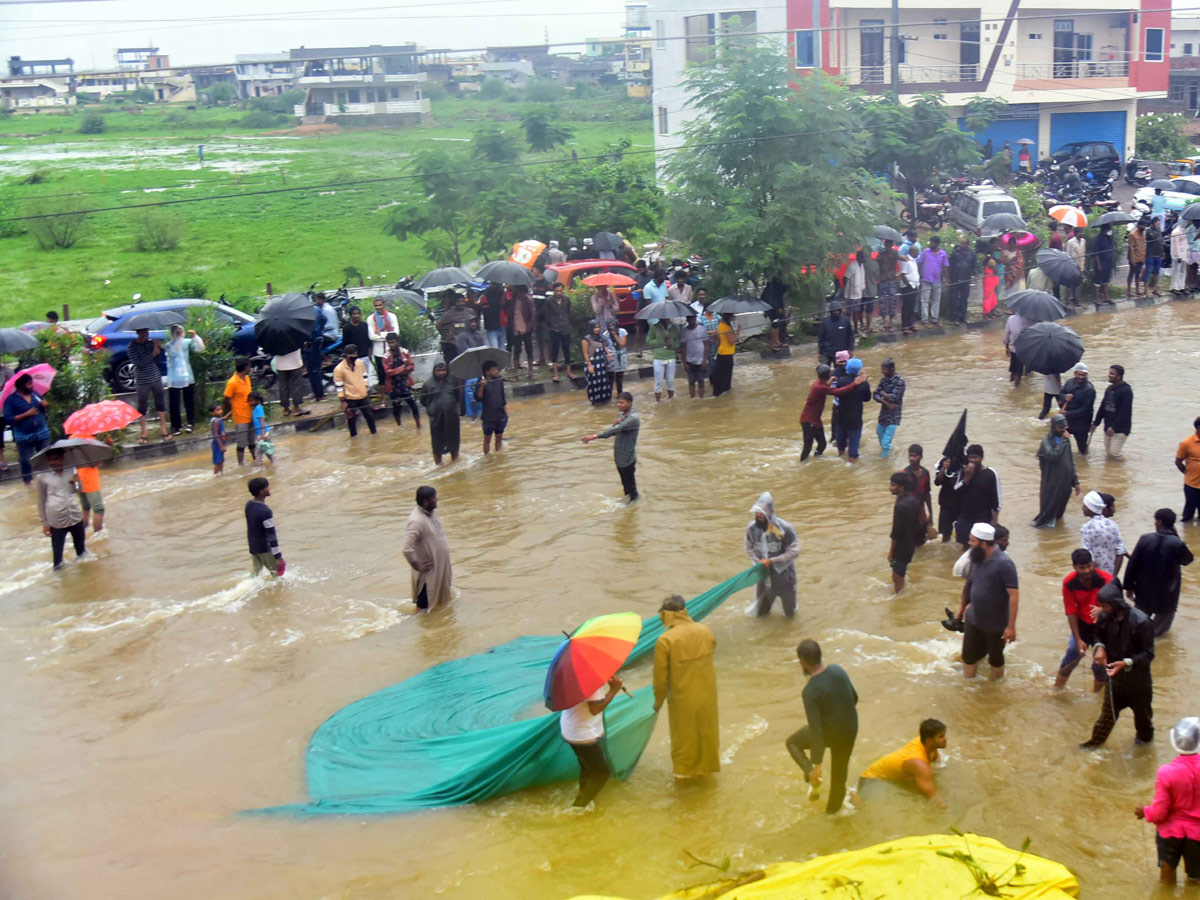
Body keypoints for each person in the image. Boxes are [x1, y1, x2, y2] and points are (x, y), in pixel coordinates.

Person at [785, 640, 857, 813]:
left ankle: (810, 774)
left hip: (831, 733)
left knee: (792, 743)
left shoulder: (810, 691)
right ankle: (832, 817)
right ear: (820, 656)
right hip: (850, 729)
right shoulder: (838, 670)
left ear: (803, 662)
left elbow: (816, 729)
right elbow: (854, 698)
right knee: (839, 780)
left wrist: (817, 765)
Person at [1081, 581, 1155, 749]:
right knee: (1106, 719)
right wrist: (1100, 647)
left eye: (1105, 606)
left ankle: (1143, 754)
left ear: (1115, 604)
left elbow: (1148, 654)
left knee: (1143, 723)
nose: (1102, 609)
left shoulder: (1142, 622)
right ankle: (1093, 746)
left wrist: (1126, 663)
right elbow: (1097, 634)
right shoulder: (1106, 617)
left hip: (1139, 684)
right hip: (1116, 681)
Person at [652, 595, 719, 778]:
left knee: (684, 742)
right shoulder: (705, 631)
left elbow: (660, 679)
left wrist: (657, 702)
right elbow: (712, 650)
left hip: (682, 700)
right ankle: (707, 778)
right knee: (707, 735)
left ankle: (683, 789)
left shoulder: (665, 640)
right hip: (708, 696)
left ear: (666, 614)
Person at [1135, 717, 1200, 887]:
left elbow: (1160, 812)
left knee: (1167, 877)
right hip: (1198, 835)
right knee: (1195, 879)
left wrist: (1145, 811)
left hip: (1170, 834)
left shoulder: (1166, 772)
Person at [955, 523, 1019, 680]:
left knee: (995, 660)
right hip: (973, 617)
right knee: (968, 656)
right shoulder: (976, 557)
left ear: (983, 543)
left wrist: (1010, 627)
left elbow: (1014, 596)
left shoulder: (1004, 564)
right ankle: (969, 689)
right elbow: (969, 586)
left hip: (995, 623)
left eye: (972, 541)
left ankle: (994, 691)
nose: (969, 544)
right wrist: (962, 609)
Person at [1125, 508, 1194, 637]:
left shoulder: (1145, 539)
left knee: (1136, 627)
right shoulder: (1177, 543)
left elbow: (1132, 564)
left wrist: (1128, 587)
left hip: (1143, 591)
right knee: (1158, 633)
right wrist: (1178, 538)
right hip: (1168, 595)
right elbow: (1187, 560)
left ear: (1159, 521)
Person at [560, 672, 623, 808]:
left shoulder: (573, 675)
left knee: (587, 767)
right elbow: (595, 709)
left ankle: (583, 796)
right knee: (602, 773)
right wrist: (613, 690)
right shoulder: (591, 680)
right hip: (582, 732)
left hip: (571, 726)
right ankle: (579, 807)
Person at [1054, 548, 1112, 692]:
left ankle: (1096, 696)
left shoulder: (1106, 580)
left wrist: (1103, 610)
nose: (1086, 571)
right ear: (1074, 567)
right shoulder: (1069, 583)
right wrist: (1078, 638)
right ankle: (1057, 690)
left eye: (1089, 566)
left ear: (1093, 564)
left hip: (1104, 627)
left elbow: (1118, 606)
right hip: (1082, 626)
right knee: (1071, 657)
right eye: (1082, 568)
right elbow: (1071, 611)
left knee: (1099, 665)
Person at [858, 719, 947, 805]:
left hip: (889, 777)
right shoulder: (920, 764)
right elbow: (933, 799)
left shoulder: (927, 744)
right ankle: (855, 799)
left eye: (944, 735)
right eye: (941, 737)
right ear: (929, 740)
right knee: (867, 810)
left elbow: (937, 763)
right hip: (871, 779)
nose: (945, 739)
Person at [744, 492, 801, 618]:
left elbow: (795, 551)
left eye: (762, 512)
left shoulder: (785, 528)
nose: (759, 515)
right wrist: (758, 561)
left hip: (784, 577)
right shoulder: (752, 529)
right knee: (762, 613)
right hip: (763, 576)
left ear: (770, 512)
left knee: (790, 613)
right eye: (757, 512)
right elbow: (749, 547)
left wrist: (772, 561)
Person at [36, 447, 91, 570]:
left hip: (75, 516)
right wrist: (45, 523)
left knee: (82, 554)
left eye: (55, 459)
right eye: (50, 460)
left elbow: (79, 491)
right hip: (56, 521)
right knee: (57, 562)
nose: (53, 462)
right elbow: (40, 501)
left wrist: (78, 482)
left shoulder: (71, 470)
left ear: (62, 458)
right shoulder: (42, 476)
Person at [402, 485, 453, 612]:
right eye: (434, 498)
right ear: (425, 502)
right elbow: (407, 548)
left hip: (439, 568)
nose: (437, 500)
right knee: (423, 606)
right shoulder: (417, 521)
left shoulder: (430, 513)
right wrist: (417, 565)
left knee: (441, 602)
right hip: (429, 572)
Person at [799, 363, 865, 461]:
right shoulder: (820, 387)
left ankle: (815, 461)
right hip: (809, 421)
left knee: (822, 444)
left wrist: (829, 382)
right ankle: (803, 463)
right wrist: (855, 383)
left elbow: (826, 388)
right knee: (808, 446)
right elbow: (837, 392)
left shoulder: (817, 383)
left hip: (814, 420)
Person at [582, 391, 640, 502]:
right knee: (625, 485)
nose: (618, 405)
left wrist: (594, 436)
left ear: (629, 403)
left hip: (627, 457)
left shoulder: (633, 418)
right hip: (620, 455)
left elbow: (615, 430)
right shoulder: (624, 415)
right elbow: (617, 427)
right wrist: (616, 423)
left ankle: (633, 505)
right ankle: (629, 504)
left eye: (621, 403)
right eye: (618, 402)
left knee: (631, 487)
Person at [1033, 414, 1080, 528]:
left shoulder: (1066, 441)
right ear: (1053, 427)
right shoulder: (1046, 442)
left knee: (1059, 512)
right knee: (1048, 512)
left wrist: (1076, 481)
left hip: (1065, 483)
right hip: (1052, 484)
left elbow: (1071, 461)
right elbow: (1053, 456)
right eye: (1060, 428)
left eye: (1064, 427)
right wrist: (1064, 441)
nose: (1063, 430)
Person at [3, 372, 50, 485]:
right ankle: (28, 483)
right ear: (21, 385)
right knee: (26, 461)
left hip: (42, 433)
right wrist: (26, 414)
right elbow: (8, 418)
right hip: (24, 436)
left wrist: (46, 405)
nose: (32, 386)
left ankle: (47, 481)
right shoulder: (11, 400)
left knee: (46, 457)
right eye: (29, 384)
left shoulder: (35, 394)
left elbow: (44, 411)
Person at [128, 327, 170, 444]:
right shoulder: (132, 347)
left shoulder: (150, 343)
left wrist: (158, 348)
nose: (145, 334)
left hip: (155, 376)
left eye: (146, 332)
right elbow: (138, 363)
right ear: (138, 333)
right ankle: (144, 432)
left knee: (160, 403)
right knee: (142, 405)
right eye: (143, 332)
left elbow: (158, 361)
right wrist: (152, 354)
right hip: (142, 380)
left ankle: (164, 429)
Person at [954, 444, 1001, 546]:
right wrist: (967, 477)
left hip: (983, 518)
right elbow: (956, 491)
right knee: (964, 547)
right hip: (965, 517)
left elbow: (997, 500)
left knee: (982, 548)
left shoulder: (991, 473)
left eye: (976, 457)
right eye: (970, 457)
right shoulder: (964, 471)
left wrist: (994, 521)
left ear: (982, 457)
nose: (973, 460)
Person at [164, 324, 206, 434]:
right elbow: (173, 354)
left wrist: (195, 337)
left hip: (187, 376)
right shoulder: (169, 345)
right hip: (174, 378)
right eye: (176, 332)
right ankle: (176, 426)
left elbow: (200, 348)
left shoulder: (187, 342)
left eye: (180, 331)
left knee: (189, 401)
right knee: (174, 403)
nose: (179, 334)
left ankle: (190, 423)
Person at [888, 471, 924, 593]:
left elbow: (896, 532)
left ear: (901, 487)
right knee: (900, 573)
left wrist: (891, 552)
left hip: (901, 546)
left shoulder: (900, 506)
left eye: (893, 485)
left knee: (897, 577)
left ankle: (899, 597)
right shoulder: (914, 500)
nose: (890, 488)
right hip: (911, 544)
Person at [419, 363, 462, 464]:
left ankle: (455, 465)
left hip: (452, 418)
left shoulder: (453, 381)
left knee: (454, 444)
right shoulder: (428, 384)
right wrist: (432, 409)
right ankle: (439, 467)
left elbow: (457, 396)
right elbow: (423, 400)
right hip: (436, 419)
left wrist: (453, 408)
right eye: (438, 370)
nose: (441, 373)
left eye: (443, 370)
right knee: (437, 445)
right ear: (434, 371)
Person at [332, 343, 376, 438]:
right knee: (351, 420)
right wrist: (343, 401)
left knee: (370, 416)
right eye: (352, 355)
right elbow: (339, 387)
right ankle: (354, 438)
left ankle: (374, 434)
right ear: (347, 355)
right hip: (350, 398)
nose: (355, 357)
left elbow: (365, 376)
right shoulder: (339, 369)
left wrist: (366, 389)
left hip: (363, 395)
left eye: (356, 354)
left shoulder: (359, 363)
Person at [1080, 490, 1128, 578]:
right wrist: (1113, 577)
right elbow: (1120, 552)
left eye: (1084, 505)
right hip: (1110, 576)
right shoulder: (1113, 525)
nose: (1082, 508)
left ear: (1089, 507)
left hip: (1096, 578)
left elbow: (1088, 558)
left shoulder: (1086, 528)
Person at [1090, 364, 1133, 459]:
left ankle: (1123, 469)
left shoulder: (1126, 391)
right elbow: (1102, 407)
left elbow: (1125, 412)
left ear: (1119, 376)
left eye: (1112, 374)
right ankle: (1111, 472)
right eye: (1109, 373)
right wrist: (1095, 424)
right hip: (1107, 427)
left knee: (1114, 453)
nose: (1109, 375)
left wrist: (1113, 427)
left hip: (1120, 429)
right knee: (1108, 454)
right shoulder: (1109, 389)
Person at [245, 476, 284, 577]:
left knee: (255, 575)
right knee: (277, 577)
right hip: (265, 548)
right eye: (266, 487)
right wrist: (278, 557)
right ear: (261, 491)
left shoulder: (248, 505)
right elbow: (271, 535)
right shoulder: (266, 511)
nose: (269, 488)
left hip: (253, 546)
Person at [835, 357, 871, 462]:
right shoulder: (864, 384)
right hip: (855, 419)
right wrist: (865, 382)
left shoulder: (841, 381)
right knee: (853, 451)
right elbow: (867, 398)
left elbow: (837, 395)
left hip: (841, 417)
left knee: (841, 447)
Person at [223, 358, 257, 464]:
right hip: (240, 417)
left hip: (251, 414)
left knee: (252, 440)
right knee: (241, 443)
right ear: (245, 367)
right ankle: (240, 464)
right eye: (249, 366)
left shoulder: (247, 378)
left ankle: (256, 460)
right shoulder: (232, 382)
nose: (250, 368)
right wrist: (233, 409)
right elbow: (226, 398)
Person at [382, 333, 420, 429]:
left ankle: (419, 425)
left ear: (397, 341)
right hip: (394, 386)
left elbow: (412, 366)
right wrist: (401, 369)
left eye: (393, 342)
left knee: (413, 405)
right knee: (396, 407)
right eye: (389, 343)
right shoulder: (386, 356)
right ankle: (399, 426)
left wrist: (397, 371)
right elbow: (387, 372)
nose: (391, 345)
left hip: (405, 384)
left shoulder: (405, 352)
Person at [305, 292, 338, 401]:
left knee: (313, 369)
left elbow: (327, 323)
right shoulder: (318, 309)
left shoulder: (323, 310)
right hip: (317, 339)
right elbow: (323, 320)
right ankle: (318, 393)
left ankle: (319, 393)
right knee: (315, 369)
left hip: (318, 339)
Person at [1057, 363, 1095, 455]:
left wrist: (1067, 413)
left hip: (1081, 424)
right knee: (1058, 442)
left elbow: (1086, 410)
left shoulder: (1090, 390)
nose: (1081, 377)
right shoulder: (1069, 382)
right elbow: (1060, 394)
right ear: (1074, 374)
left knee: (1082, 450)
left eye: (1084, 375)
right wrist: (1065, 397)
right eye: (1079, 374)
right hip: (1067, 422)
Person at [872, 357, 905, 459]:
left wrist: (882, 393)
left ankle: (883, 460)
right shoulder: (884, 380)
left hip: (894, 415)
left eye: (884, 369)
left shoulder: (900, 381)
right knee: (879, 433)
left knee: (885, 442)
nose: (882, 371)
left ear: (892, 370)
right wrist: (886, 403)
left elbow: (894, 397)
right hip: (884, 414)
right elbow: (875, 395)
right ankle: (888, 452)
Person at [474, 360, 507, 455]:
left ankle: (498, 455)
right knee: (487, 439)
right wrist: (481, 386)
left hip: (500, 415)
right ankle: (487, 457)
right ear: (487, 372)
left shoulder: (499, 380)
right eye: (494, 369)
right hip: (489, 416)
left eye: (497, 369)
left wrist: (506, 415)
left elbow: (503, 398)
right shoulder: (480, 382)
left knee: (499, 438)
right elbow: (478, 398)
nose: (497, 371)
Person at [544, 282, 575, 383]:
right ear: (554, 291)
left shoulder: (566, 299)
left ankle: (569, 371)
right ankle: (556, 373)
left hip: (565, 327)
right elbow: (547, 315)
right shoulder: (549, 301)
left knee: (567, 350)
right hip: (554, 328)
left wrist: (568, 322)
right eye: (557, 291)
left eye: (560, 290)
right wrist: (551, 326)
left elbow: (569, 312)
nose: (559, 293)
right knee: (555, 351)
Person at [365, 297, 400, 382]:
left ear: (384, 305)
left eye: (380, 305)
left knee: (394, 370)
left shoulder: (392, 316)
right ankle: (384, 392)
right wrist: (388, 334)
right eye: (376, 306)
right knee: (382, 373)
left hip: (391, 348)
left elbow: (396, 333)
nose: (378, 307)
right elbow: (371, 336)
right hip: (379, 351)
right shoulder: (371, 319)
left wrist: (380, 334)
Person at [916, 236, 949, 324]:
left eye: (933, 243)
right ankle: (925, 319)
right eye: (930, 242)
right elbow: (919, 263)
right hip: (926, 280)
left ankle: (934, 318)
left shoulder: (943, 254)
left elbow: (945, 267)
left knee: (936, 300)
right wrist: (919, 276)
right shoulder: (925, 252)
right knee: (924, 300)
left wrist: (947, 280)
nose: (931, 244)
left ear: (937, 244)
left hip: (937, 280)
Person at [580, 319, 613, 406]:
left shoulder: (601, 337)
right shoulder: (586, 339)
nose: (597, 329)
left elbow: (605, 347)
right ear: (591, 328)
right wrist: (590, 365)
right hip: (592, 363)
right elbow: (585, 353)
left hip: (602, 363)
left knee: (604, 383)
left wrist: (609, 354)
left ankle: (605, 401)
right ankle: (595, 402)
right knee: (594, 384)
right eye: (595, 328)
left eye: (598, 327)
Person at [646, 316, 678, 402]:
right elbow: (648, 340)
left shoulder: (673, 327)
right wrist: (660, 341)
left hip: (671, 356)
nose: (664, 320)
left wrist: (672, 345)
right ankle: (658, 402)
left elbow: (678, 342)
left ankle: (671, 400)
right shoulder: (654, 327)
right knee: (658, 382)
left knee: (671, 381)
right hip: (658, 357)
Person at [272, 345, 309, 419]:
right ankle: (296, 408)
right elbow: (303, 345)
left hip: (280, 365)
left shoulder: (274, 337)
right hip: (295, 363)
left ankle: (286, 409)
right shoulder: (294, 335)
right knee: (296, 385)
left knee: (283, 387)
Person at [904, 444, 934, 536]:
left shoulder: (925, 473)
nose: (912, 458)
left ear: (921, 457)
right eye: (910, 455)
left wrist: (931, 514)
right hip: (908, 513)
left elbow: (927, 494)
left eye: (914, 456)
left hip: (921, 512)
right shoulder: (904, 474)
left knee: (922, 539)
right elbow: (900, 497)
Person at [508, 285, 536, 378]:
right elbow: (509, 313)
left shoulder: (528, 300)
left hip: (526, 329)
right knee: (517, 351)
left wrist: (528, 327)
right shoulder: (513, 301)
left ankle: (530, 372)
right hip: (516, 329)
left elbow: (533, 315)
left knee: (529, 350)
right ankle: (516, 373)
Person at [679, 313, 709, 399]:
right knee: (691, 381)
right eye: (689, 318)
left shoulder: (702, 329)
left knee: (701, 381)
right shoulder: (684, 331)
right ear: (687, 319)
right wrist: (684, 363)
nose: (691, 320)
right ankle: (692, 399)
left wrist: (705, 360)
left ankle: (701, 399)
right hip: (689, 360)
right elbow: (683, 348)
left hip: (700, 360)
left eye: (693, 318)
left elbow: (706, 345)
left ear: (695, 318)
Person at [947, 237, 975, 325]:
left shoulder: (972, 254)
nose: (963, 246)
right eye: (961, 244)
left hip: (966, 279)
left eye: (964, 244)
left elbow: (974, 266)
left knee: (964, 299)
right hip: (955, 279)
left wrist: (974, 275)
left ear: (967, 245)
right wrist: (949, 278)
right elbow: (950, 265)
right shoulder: (955, 253)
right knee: (954, 299)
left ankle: (962, 317)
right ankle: (954, 318)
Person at [710, 312, 739, 397]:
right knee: (725, 378)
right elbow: (732, 341)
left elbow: (718, 340)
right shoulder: (726, 327)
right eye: (733, 315)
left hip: (722, 353)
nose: (734, 316)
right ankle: (721, 394)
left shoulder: (721, 325)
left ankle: (721, 394)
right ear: (729, 316)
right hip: (726, 354)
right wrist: (738, 332)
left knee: (722, 376)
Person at [1177, 417, 1200, 522]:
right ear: (1198, 428)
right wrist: (1187, 473)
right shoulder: (1186, 443)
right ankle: (1186, 533)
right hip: (1191, 485)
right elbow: (1178, 461)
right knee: (1188, 515)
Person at [876, 239, 899, 331]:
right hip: (883, 280)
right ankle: (884, 321)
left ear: (892, 245)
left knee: (892, 301)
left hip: (892, 280)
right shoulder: (881, 254)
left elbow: (901, 258)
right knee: (882, 301)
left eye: (890, 244)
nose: (888, 246)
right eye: (887, 244)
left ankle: (890, 322)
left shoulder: (894, 254)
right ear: (885, 245)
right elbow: (876, 262)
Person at [340, 306, 370, 375]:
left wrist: (369, 354)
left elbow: (368, 341)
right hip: (353, 357)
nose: (356, 315)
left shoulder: (365, 326)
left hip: (365, 357)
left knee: (365, 377)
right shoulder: (346, 328)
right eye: (354, 314)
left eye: (358, 313)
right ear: (351, 315)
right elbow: (345, 343)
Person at [1003, 312, 1029, 387]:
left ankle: (1012, 389)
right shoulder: (1031, 319)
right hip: (1026, 350)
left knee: (1013, 371)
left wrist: (1007, 347)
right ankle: (1017, 390)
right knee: (1020, 372)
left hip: (1014, 349)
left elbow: (1007, 334)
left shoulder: (1011, 319)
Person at [899, 244, 921, 333]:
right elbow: (902, 274)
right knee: (906, 306)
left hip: (915, 286)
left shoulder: (914, 260)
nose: (918, 254)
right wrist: (909, 285)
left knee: (912, 306)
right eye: (917, 252)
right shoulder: (906, 260)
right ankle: (905, 326)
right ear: (912, 251)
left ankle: (911, 324)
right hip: (908, 287)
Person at [843, 251, 865, 332]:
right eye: (863, 257)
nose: (865, 259)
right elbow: (845, 278)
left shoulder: (861, 265)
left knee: (856, 312)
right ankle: (847, 328)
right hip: (851, 294)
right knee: (849, 312)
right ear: (859, 257)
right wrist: (848, 288)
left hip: (858, 293)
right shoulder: (852, 266)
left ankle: (856, 329)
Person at [480, 284, 506, 350]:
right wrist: (497, 304)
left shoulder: (501, 292)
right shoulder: (486, 295)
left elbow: (505, 305)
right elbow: (485, 311)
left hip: (502, 325)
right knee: (495, 350)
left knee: (502, 349)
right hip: (491, 326)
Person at [249, 392, 273, 464]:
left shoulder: (259, 408)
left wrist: (263, 434)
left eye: (251, 401)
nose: (249, 403)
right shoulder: (255, 409)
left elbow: (262, 421)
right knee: (266, 450)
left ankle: (259, 466)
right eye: (249, 401)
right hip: (261, 433)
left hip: (263, 433)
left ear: (257, 400)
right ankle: (273, 463)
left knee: (258, 452)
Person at [605, 320, 628, 395]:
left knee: (619, 378)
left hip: (621, 356)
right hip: (612, 357)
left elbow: (622, 344)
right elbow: (605, 346)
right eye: (610, 326)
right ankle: (609, 395)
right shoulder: (605, 334)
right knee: (610, 377)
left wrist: (615, 335)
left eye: (613, 325)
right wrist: (608, 354)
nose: (612, 327)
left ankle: (620, 395)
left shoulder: (622, 331)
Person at [1065, 228, 1087, 305]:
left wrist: (1083, 265)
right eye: (1080, 232)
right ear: (1076, 233)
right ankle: (1067, 300)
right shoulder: (1070, 242)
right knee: (1070, 283)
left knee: (1078, 283)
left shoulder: (1083, 241)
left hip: (1081, 264)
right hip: (1072, 265)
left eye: (1082, 232)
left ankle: (1076, 300)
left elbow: (1083, 252)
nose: (1082, 233)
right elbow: (1067, 255)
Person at [1092, 224, 1114, 302]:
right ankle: (1097, 298)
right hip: (1101, 263)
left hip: (1108, 263)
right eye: (1109, 229)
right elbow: (1096, 253)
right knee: (1098, 280)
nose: (1109, 230)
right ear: (1105, 229)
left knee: (1106, 280)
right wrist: (1098, 264)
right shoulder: (1098, 239)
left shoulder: (1108, 238)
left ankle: (1106, 297)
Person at [1127, 219, 1148, 299]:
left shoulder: (1143, 234)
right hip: (1134, 258)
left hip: (1141, 257)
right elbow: (1131, 248)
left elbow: (1144, 246)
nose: (1145, 227)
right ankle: (1129, 291)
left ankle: (1137, 290)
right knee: (1131, 273)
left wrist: (1144, 258)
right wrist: (1133, 260)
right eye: (1143, 225)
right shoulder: (1132, 234)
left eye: (1145, 226)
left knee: (1138, 274)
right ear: (1139, 225)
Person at [1172, 219, 1191, 296]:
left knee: (1183, 271)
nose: (1186, 223)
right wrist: (1178, 256)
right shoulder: (1175, 232)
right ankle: (1175, 287)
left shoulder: (1184, 231)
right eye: (1185, 222)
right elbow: (1175, 246)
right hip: (1178, 255)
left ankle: (1181, 286)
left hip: (1184, 254)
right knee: (1176, 271)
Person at [1146, 218, 1165, 298]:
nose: (1158, 224)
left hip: (1158, 254)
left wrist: (1162, 252)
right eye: (1157, 223)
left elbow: (1160, 241)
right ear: (1153, 223)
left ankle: (1155, 289)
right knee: (1148, 272)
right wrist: (1157, 230)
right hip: (1150, 254)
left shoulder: (1159, 229)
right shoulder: (1148, 230)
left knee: (1156, 273)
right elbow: (1153, 237)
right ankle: (1145, 290)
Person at [982, 251, 1000, 317]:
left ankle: (989, 311)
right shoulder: (992, 261)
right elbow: (996, 272)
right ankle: (986, 312)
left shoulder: (985, 261)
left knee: (989, 295)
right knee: (989, 296)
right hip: (990, 279)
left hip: (987, 278)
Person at [209, 401, 226, 476]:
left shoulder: (219, 419)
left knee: (221, 460)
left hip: (221, 442)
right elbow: (216, 434)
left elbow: (225, 418)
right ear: (212, 413)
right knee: (217, 461)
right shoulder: (216, 421)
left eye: (221, 409)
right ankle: (216, 475)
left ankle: (221, 473)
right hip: (217, 443)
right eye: (217, 410)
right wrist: (221, 446)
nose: (220, 411)